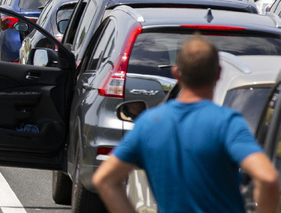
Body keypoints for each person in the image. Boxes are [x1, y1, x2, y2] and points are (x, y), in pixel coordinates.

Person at [92, 35, 279, 213]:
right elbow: (267, 177)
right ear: (218, 73)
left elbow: (105, 180)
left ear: (176, 73)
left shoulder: (149, 124)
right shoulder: (226, 122)